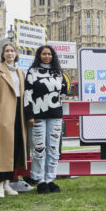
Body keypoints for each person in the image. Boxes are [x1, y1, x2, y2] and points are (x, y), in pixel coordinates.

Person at [0, 42, 28, 198]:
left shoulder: (20, 72)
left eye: (12, 51)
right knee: (1, 151)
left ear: (16, 54)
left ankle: (8, 184)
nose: (10, 53)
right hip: (3, 112)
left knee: (13, 149)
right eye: (7, 51)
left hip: (18, 113)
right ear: (3, 54)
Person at [24, 45, 67, 194]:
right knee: (39, 148)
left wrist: (56, 103)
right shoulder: (32, 72)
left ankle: (50, 179)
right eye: (44, 54)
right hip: (37, 116)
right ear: (39, 55)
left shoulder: (58, 72)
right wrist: (29, 115)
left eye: (49, 54)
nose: (47, 56)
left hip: (54, 115)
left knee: (53, 149)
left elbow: (64, 90)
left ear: (52, 55)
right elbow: (27, 94)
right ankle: (40, 179)